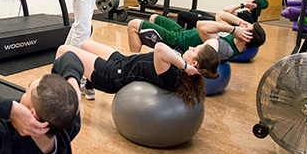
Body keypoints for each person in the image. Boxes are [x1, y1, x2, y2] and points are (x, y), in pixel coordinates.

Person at [56, 39, 220, 105]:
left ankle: (56, 97)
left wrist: (185, 66)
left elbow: (159, 48)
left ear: (194, 63)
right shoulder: (181, 65)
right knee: (85, 44)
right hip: (122, 61)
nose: (191, 48)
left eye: (194, 49)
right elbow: (213, 41)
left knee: (64, 51)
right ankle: (88, 86)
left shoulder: (174, 76)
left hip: (113, 75)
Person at [128, 11, 266, 63]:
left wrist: (233, 28)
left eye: (247, 28)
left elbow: (201, 26)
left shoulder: (226, 48)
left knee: (133, 25)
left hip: (177, 42)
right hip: (181, 33)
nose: (243, 27)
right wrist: (241, 23)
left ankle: (132, 62)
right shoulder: (233, 36)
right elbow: (220, 15)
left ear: (247, 37)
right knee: (154, 17)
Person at [177, 0, 269, 29]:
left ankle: (178, 38)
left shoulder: (247, 16)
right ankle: (188, 34)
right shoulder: (251, 15)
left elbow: (225, 11)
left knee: (181, 14)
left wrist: (243, 4)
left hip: (217, 24)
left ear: (254, 5)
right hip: (219, 20)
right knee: (193, 11)